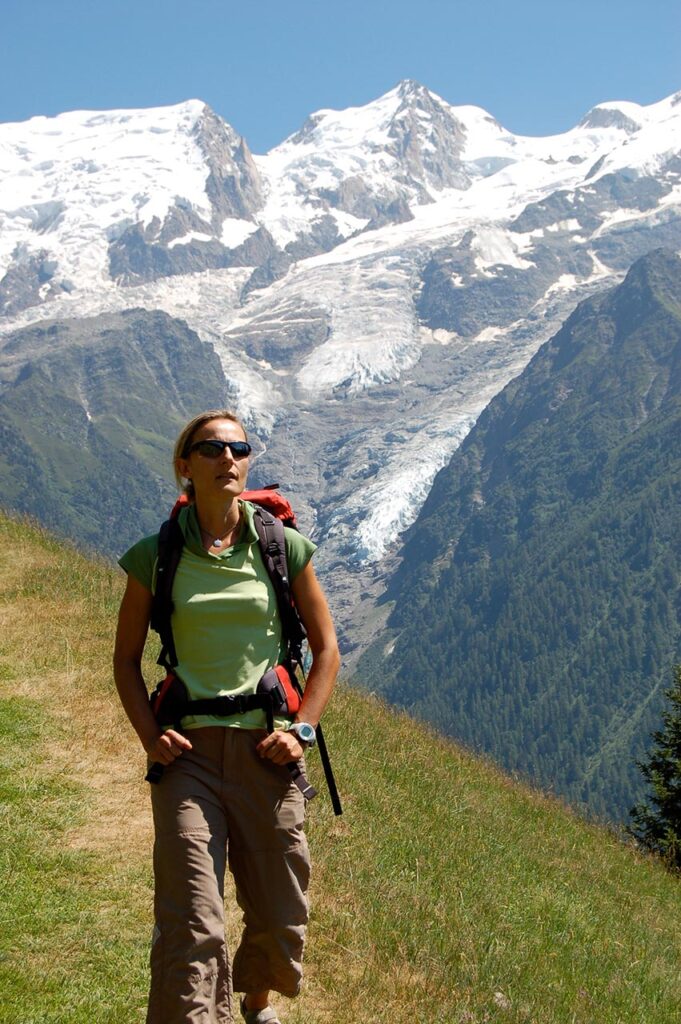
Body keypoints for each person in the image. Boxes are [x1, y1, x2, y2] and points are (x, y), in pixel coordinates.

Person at [113, 409, 340, 1024]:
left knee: (280, 906)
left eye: (238, 447)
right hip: (187, 756)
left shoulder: (281, 547)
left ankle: (258, 1001)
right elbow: (126, 660)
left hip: (268, 750)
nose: (228, 458)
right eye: (212, 448)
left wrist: (302, 732)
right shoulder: (153, 557)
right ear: (185, 467)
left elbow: (326, 652)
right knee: (193, 917)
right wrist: (148, 737)